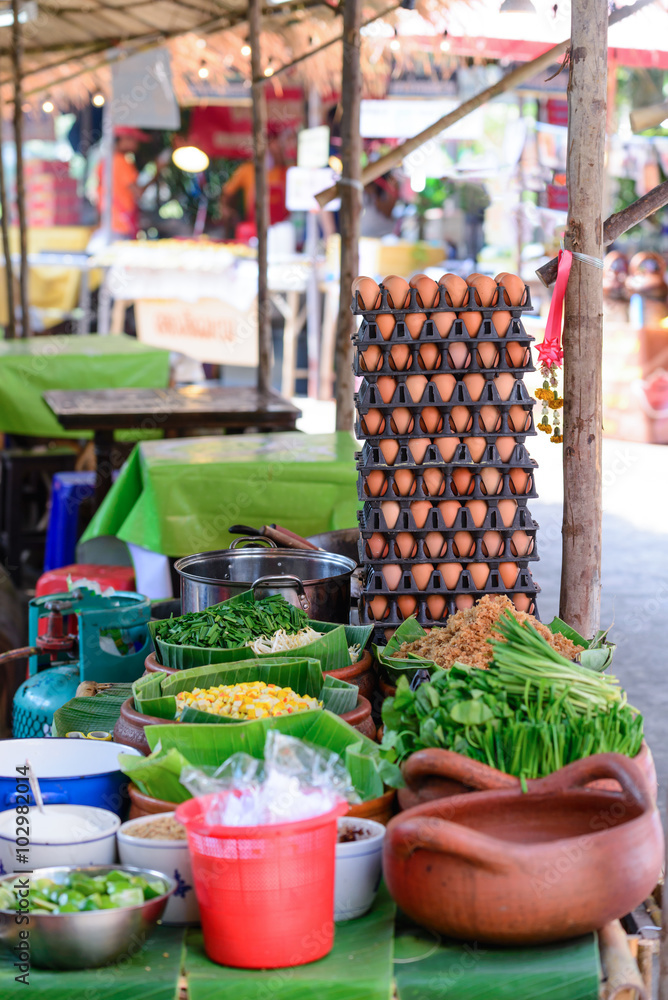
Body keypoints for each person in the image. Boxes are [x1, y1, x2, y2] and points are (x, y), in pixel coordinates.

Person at [219, 124, 291, 237]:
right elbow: (227, 194)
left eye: (277, 143)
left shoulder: (288, 172)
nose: (275, 148)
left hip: (282, 231)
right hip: (252, 230)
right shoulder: (246, 169)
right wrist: (226, 210)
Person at [96, 127, 168, 239]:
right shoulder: (122, 162)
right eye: (134, 139)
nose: (137, 143)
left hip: (109, 222)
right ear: (124, 139)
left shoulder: (105, 161)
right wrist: (157, 171)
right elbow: (138, 192)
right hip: (121, 226)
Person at [360, 174, 399, 238]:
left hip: (381, 236)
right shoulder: (363, 191)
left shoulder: (389, 184)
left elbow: (387, 210)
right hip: (364, 234)